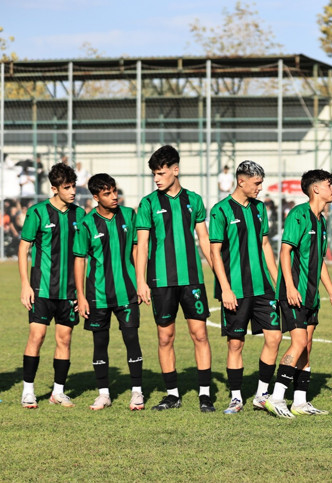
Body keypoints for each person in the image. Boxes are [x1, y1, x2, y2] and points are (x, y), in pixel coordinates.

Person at [135, 145, 216, 412]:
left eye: (161, 173)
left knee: (200, 335)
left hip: (192, 280)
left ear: (175, 170)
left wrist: (219, 273)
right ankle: (172, 395)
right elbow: (142, 246)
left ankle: (205, 394)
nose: (156, 179)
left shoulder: (194, 200)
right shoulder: (148, 203)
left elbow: (204, 240)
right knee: (165, 337)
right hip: (161, 282)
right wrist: (141, 281)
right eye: (154, 174)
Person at [265, 169, 332, 418]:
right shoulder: (298, 214)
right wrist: (289, 287)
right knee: (298, 342)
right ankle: (275, 398)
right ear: (316, 188)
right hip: (294, 293)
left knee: (307, 346)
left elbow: (319, 262)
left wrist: (331, 293)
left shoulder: (321, 220)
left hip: (311, 295)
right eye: (329, 184)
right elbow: (285, 251)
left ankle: (300, 401)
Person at [209, 160, 282, 415]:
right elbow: (215, 253)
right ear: (241, 181)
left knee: (274, 337)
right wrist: (225, 289)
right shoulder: (220, 210)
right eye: (257, 183)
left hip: (263, 287)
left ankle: (261, 394)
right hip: (235, 290)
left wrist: (278, 282)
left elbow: (265, 246)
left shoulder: (260, 208)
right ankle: (236, 398)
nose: (260, 188)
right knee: (235, 344)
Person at [74, 174, 144, 411]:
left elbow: (136, 249)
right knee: (100, 342)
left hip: (127, 292)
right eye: (107, 193)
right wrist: (81, 296)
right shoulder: (86, 224)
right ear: (96, 197)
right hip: (98, 295)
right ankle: (104, 394)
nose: (114, 196)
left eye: (114, 191)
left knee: (132, 339)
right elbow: (80, 260)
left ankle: (137, 392)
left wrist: (140, 281)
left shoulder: (129, 215)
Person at [18, 163, 85, 409]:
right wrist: (25, 285)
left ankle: (58, 392)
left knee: (64, 339)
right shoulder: (37, 213)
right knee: (37, 336)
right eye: (67, 187)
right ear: (54, 188)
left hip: (69, 291)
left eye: (73, 186)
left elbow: (83, 255)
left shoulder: (80, 215)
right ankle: (28, 391)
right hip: (42, 288)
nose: (72, 191)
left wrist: (82, 292)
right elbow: (24, 248)